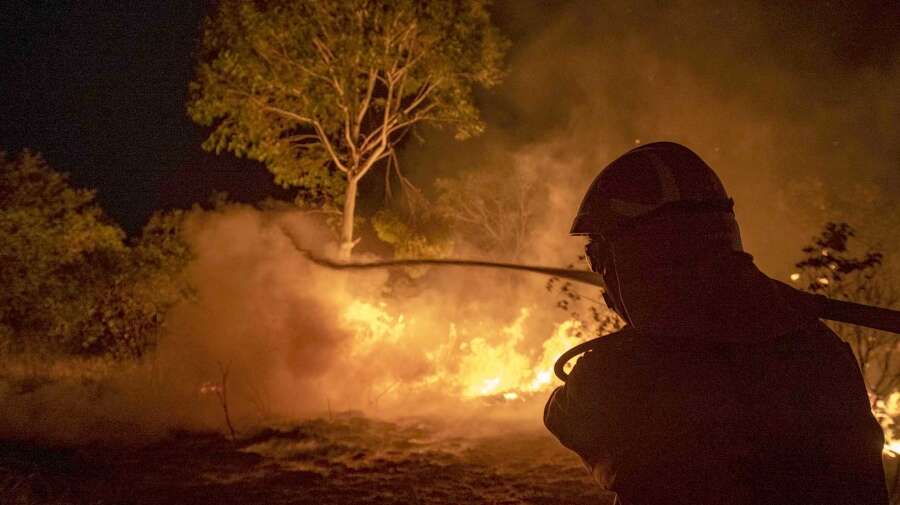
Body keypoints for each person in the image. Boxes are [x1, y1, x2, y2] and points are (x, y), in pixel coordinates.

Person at [544, 142, 888, 504]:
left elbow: (567, 416)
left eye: (598, 258)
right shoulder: (819, 349)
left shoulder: (624, 372)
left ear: (634, 258)